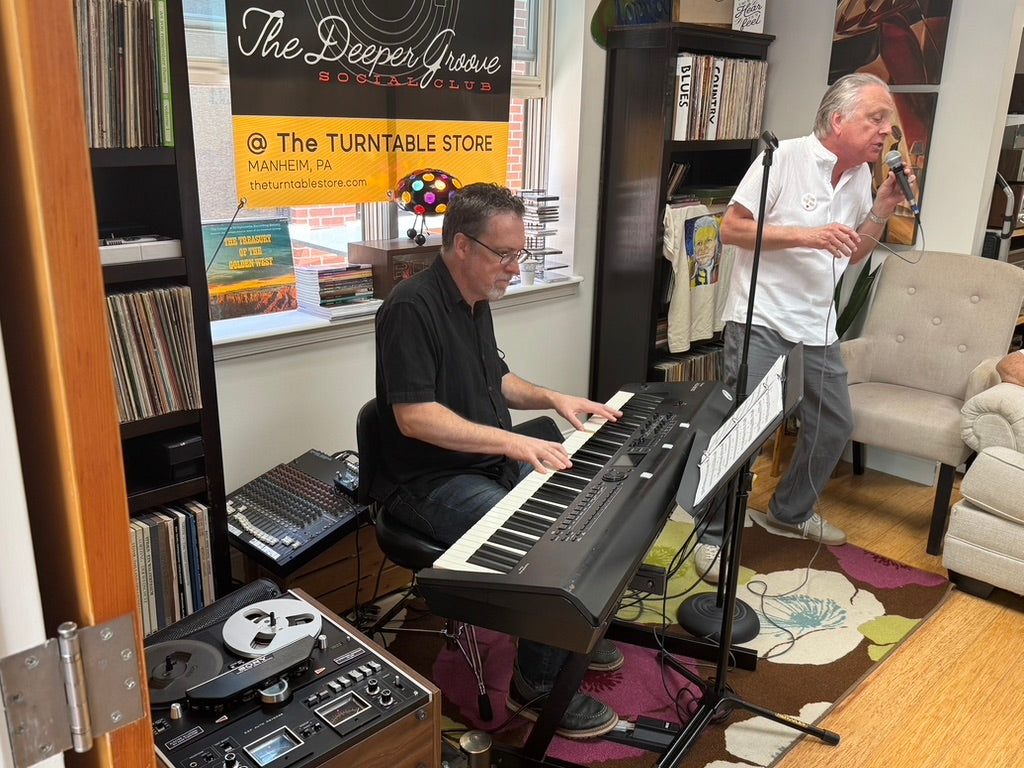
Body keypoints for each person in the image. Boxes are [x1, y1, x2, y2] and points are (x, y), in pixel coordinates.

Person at [373, 182, 624, 739]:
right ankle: (537, 684)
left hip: (480, 461)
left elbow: (498, 379)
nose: (515, 267)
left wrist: (555, 398)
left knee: (583, 497)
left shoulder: (475, 298)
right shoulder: (409, 308)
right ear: (463, 245)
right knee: (543, 539)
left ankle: (566, 635)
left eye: (520, 253)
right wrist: (512, 444)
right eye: (504, 254)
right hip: (426, 481)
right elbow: (415, 418)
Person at [693, 73, 913, 583]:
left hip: (817, 326)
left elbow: (853, 254)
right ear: (839, 120)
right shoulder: (783, 159)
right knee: (745, 435)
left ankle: (789, 513)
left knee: (833, 424)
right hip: (762, 318)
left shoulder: (860, 177)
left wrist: (881, 209)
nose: (887, 131)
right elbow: (730, 229)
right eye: (876, 119)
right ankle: (711, 536)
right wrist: (808, 236)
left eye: (888, 121)